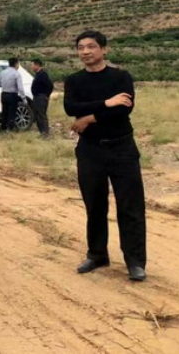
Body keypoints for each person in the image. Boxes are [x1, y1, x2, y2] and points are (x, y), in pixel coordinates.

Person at [64, 30, 146, 281]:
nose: (85, 51)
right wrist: (106, 103)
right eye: (81, 47)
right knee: (95, 205)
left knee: (130, 206)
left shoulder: (121, 77)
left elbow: (123, 111)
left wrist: (89, 117)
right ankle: (97, 254)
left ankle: (135, 261)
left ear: (104, 49)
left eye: (91, 46)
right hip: (90, 150)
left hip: (122, 149)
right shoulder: (74, 81)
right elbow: (70, 108)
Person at [0, 57, 26, 131]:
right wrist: (24, 99)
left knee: (4, 112)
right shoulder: (16, 74)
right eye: (18, 63)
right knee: (11, 112)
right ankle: (10, 129)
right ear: (16, 64)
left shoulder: (2, 72)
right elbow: (20, 88)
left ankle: (4, 127)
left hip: (3, 94)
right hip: (12, 95)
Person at [30, 58, 54, 137]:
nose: (31, 67)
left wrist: (47, 95)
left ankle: (45, 133)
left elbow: (50, 85)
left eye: (32, 65)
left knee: (41, 115)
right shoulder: (38, 74)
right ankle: (41, 132)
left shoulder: (43, 74)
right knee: (37, 115)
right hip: (37, 97)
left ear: (37, 65)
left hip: (41, 97)